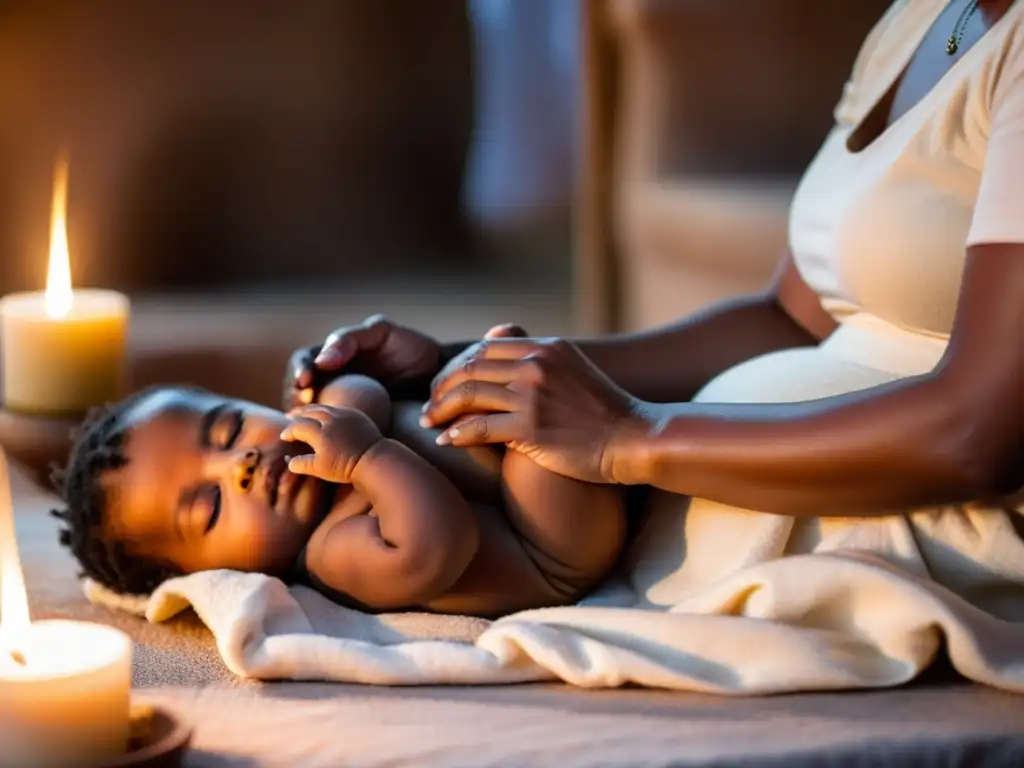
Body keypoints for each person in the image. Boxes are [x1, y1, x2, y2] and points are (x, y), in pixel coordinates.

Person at [284, 0, 1024, 609]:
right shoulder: (924, 16)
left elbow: (977, 436)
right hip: (703, 543)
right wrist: (460, 364)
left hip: (936, 547)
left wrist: (629, 437)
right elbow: (792, 321)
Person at [50, 343, 628, 617]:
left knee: (500, 365)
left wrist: (324, 394)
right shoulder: (333, 554)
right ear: (213, 575)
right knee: (534, 441)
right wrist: (363, 459)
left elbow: (367, 394)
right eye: (209, 508)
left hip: (518, 479)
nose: (240, 466)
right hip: (553, 544)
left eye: (229, 431)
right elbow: (441, 543)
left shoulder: (317, 436)